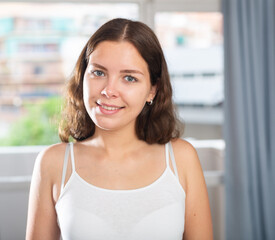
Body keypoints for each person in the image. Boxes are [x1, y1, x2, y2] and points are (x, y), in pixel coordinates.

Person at [26, 18, 213, 240]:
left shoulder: (181, 158)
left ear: (152, 90)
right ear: (82, 76)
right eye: (99, 73)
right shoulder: (53, 162)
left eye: (129, 78)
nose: (109, 90)